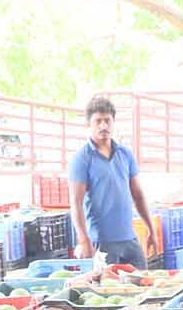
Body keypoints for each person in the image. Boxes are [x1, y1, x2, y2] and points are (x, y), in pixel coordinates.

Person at [68, 96, 159, 267]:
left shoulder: (125, 154)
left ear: (113, 122)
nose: (103, 126)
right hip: (101, 243)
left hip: (130, 239)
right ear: (89, 124)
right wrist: (84, 240)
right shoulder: (81, 159)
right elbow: (76, 202)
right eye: (98, 121)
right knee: (106, 291)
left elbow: (138, 195)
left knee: (143, 285)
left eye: (107, 121)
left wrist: (151, 229)